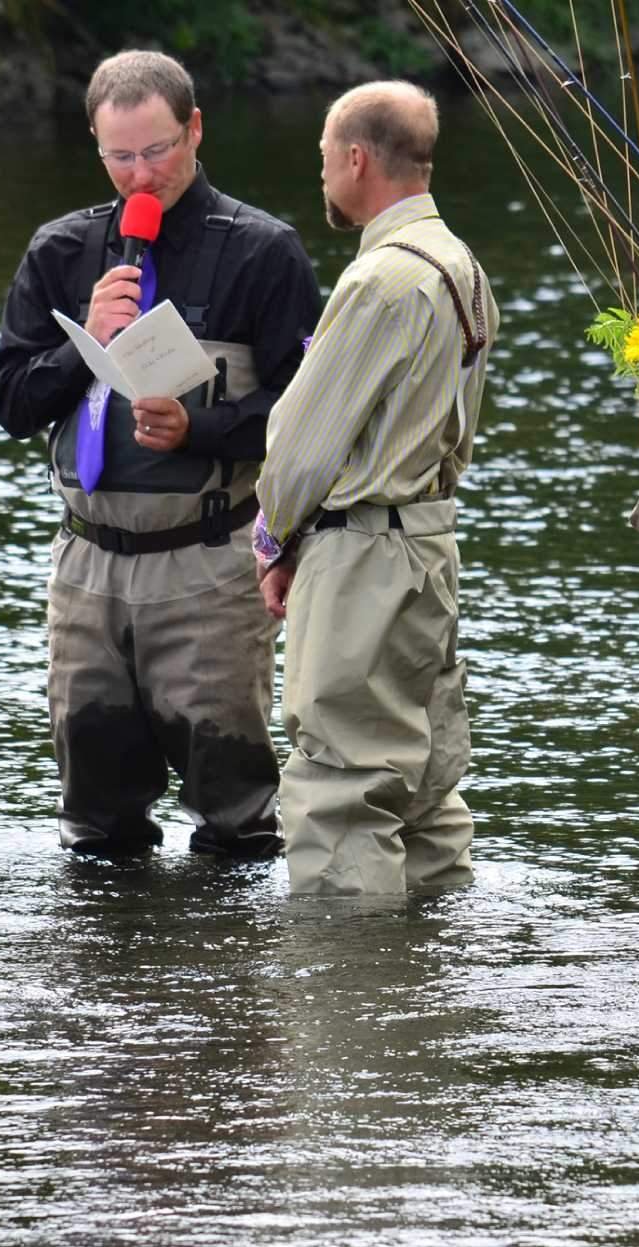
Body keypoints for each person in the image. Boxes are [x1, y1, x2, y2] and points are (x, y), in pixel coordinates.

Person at [0, 50, 322, 861]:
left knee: (237, 814)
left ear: (196, 129)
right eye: (120, 156)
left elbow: (307, 416)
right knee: (96, 820)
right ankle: (114, 978)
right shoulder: (61, 251)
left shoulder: (262, 251)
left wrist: (198, 429)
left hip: (208, 561)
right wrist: (87, 344)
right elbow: (11, 404)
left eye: (159, 150)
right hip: (86, 564)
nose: (141, 175)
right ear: (96, 148)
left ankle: (228, 980)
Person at [253, 81, 497, 896]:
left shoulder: (378, 281)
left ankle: (346, 1010)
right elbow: (457, 436)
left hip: (360, 555)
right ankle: (430, 992)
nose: (321, 172)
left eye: (325, 156)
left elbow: (300, 444)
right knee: (425, 789)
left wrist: (272, 539)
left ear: (357, 158)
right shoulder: (463, 266)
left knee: (340, 793)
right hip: (429, 545)